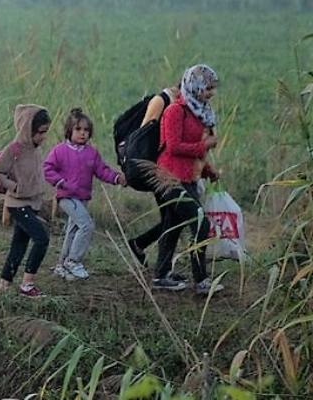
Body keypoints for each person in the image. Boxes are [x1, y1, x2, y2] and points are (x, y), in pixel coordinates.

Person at [145, 64, 223, 295]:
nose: (210, 93)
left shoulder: (200, 112)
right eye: (207, 88)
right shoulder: (175, 111)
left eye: (212, 88)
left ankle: (161, 275)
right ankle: (201, 281)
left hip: (188, 177)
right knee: (201, 223)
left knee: (173, 226)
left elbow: (196, 152)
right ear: (194, 86)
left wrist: (209, 171)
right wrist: (204, 145)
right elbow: (174, 146)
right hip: (170, 178)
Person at [43, 108, 125, 281]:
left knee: (73, 230)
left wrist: (117, 178)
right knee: (86, 225)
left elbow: (102, 171)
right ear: (69, 130)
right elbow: (47, 168)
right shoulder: (60, 150)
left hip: (83, 197)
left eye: (86, 130)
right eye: (78, 129)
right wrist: (61, 183)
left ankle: (62, 264)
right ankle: (73, 261)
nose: (82, 133)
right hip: (66, 196)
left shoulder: (91, 153)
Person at [0, 105, 52, 297]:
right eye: (40, 133)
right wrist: (13, 186)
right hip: (18, 203)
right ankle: (27, 284)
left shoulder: (35, 149)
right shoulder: (14, 149)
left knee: (19, 244)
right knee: (42, 238)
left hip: (32, 203)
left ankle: (4, 283)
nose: (43, 137)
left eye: (45, 132)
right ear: (28, 129)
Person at [125, 83, 180, 267]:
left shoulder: (179, 106)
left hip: (165, 169)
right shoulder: (161, 101)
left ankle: (140, 244)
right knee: (173, 217)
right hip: (155, 167)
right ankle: (163, 270)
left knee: (172, 217)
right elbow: (144, 134)